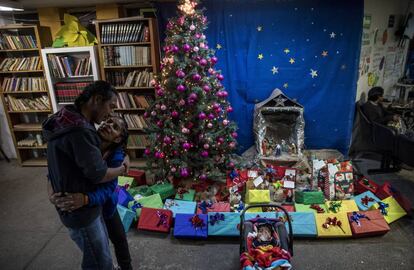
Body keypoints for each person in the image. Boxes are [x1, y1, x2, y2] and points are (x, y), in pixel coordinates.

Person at [43, 81, 128, 270]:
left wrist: (86, 197)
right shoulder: (82, 132)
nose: (109, 116)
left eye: (115, 127)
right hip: (81, 212)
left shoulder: (66, 119)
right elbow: (98, 175)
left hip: (96, 206)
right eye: (110, 106)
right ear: (97, 100)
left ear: (118, 139)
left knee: (109, 245)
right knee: (100, 261)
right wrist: (123, 169)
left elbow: (107, 186)